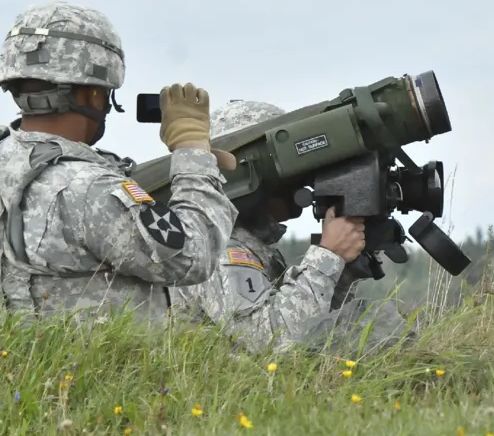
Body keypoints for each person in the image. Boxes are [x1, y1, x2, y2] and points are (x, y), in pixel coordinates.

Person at [0, 0, 239, 326]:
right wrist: (192, 152)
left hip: (0, 371)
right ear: (92, 94)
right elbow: (194, 257)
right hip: (96, 376)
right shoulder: (89, 189)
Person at [171, 100, 416, 356]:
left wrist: (341, 273)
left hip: (253, 384)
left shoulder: (251, 244)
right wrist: (328, 256)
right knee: (373, 324)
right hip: (230, 389)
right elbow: (268, 339)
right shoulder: (220, 248)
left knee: (363, 322)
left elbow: (305, 323)